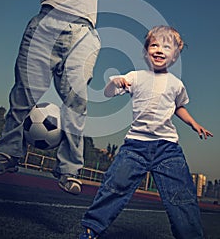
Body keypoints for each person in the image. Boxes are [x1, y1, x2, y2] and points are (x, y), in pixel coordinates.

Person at [0, 0, 141, 195]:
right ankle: (7, 154)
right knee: (23, 94)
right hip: (46, 23)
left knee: (76, 102)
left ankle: (69, 169)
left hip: (83, 34)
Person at [79, 25, 213, 238]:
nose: (159, 50)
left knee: (182, 197)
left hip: (167, 149)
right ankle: (91, 229)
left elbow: (179, 107)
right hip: (135, 147)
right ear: (146, 51)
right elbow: (109, 92)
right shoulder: (135, 76)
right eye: (154, 45)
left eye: (166, 46)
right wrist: (115, 82)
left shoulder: (177, 85)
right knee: (114, 186)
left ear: (175, 55)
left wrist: (193, 124)